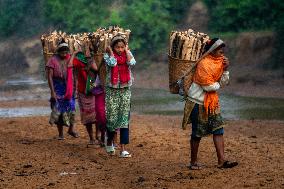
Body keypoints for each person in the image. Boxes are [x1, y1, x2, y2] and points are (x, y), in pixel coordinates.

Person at [182, 38, 238, 169]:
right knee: (197, 133)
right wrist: (218, 84)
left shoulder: (219, 63)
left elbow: (224, 82)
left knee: (218, 130)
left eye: (222, 48)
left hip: (212, 103)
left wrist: (226, 69)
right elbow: (209, 87)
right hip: (197, 102)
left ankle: (222, 160)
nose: (222, 51)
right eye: (219, 48)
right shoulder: (203, 64)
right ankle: (193, 162)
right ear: (212, 50)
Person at [103, 35, 136, 157]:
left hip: (125, 89)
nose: (120, 49)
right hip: (112, 90)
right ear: (113, 47)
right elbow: (113, 63)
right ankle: (109, 141)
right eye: (117, 47)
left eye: (122, 47)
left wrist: (127, 51)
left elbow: (131, 62)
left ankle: (123, 149)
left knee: (124, 119)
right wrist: (111, 52)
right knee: (111, 119)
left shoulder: (127, 53)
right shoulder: (107, 56)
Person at [46, 41, 79, 140]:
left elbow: (75, 75)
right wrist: (52, 92)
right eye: (62, 51)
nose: (64, 53)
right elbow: (50, 77)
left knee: (72, 108)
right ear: (58, 51)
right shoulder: (52, 60)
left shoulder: (70, 59)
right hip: (58, 88)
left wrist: (75, 88)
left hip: (69, 88)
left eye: (66, 51)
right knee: (58, 111)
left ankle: (71, 129)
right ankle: (60, 134)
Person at [72, 51, 105, 145]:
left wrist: (92, 61)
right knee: (87, 118)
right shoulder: (78, 60)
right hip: (83, 92)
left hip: (96, 91)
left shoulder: (97, 58)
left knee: (98, 115)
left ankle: (98, 135)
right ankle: (91, 137)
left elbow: (97, 69)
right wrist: (74, 54)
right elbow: (69, 65)